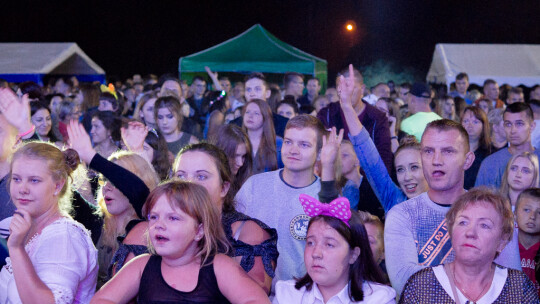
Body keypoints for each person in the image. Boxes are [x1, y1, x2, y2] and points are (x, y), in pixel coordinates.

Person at [385, 119, 521, 295]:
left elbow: (512, 286)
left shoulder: (494, 213)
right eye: (428, 151)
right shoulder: (402, 215)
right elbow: (406, 284)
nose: (436, 160)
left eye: (448, 151)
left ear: (467, 160)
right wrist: (477, 277)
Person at [90, 181, 271, 303]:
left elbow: (255, 300)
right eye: (154, 217)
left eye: (173, 218)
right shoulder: (142, 264)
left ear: (199, 230)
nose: (159, 225)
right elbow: (102, 300)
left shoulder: (219, 266)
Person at [400, 189, 539, 303]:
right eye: (463, 222)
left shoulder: (519, 288)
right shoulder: (421, 285)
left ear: (502, 241)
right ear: (451, 231)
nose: (470, 233)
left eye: (484, 225)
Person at [172, 143, 278, 293]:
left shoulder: (247, 233)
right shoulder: (158, 227)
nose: (189, 184)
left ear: (224, 188)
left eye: (201, 176)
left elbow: (254, 296)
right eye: (180, 175)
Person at [236, 114, 326, 290]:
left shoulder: (325, 197)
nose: (293, 150)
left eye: (304, 144)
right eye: (288, 142)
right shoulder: (255, 185)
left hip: (302, 296)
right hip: (251, 294)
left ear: (320, 152)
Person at [0, 142, 98, 303]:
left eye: (34, 180)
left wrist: (16, 248)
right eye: (16, 179)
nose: (22, 188)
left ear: (57, 185)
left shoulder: (65, 236)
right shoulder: (30, 229)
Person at [68, 120, 160, 286]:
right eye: (104, 180)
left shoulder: (150, 221)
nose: (107, 187)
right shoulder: (96, 220)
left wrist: (92, 157)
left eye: (115, 182)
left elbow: (138, 189)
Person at [337, 66, 428, 212]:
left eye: (414, 167)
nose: (407, 177)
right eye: (400, 170)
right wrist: (347, 107)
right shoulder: (395, 200)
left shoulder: (451, 205)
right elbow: (370, 159)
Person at [273, 196, 396, 303]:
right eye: (310, 242)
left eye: (329, 244)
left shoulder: (378, 299)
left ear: (353, 255)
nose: (316, 253)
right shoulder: (287, 295)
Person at [317, 65, 393, 218]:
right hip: (330, 183)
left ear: (362, 88)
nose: (345, 92)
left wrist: (357, 177)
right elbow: (317, 150)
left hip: (369, 187)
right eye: (340, 87)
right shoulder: (327, 114)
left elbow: (384, 159)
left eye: (350, 87)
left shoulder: (376, 118)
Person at [476, 102, 540, 189]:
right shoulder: (490, 163)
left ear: (532, 126)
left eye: (519, 124)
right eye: (508, 124)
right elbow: (479, 200)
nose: (513, 130)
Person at [209, 124, 253, 196]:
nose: (240, 163)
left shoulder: (244, 181)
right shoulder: (209, 180)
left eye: (243, 156)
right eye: (235, 156)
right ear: (222, 152)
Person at [243, 99, 278, 174]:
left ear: (265, 117)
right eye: (247, 112)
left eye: (256, 113)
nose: (250, 116)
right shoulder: (236, 140)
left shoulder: (277, 142)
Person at [515, 189, 540, 295]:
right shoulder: (501, 249)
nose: (532, 217)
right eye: (526, 210)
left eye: (539, 212)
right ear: (515, 214)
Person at [461, 106, 492, 189]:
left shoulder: (490, 152)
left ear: (484, 125)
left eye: (475, 122)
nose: (470, 125)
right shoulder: (452, 150)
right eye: (466, 121)